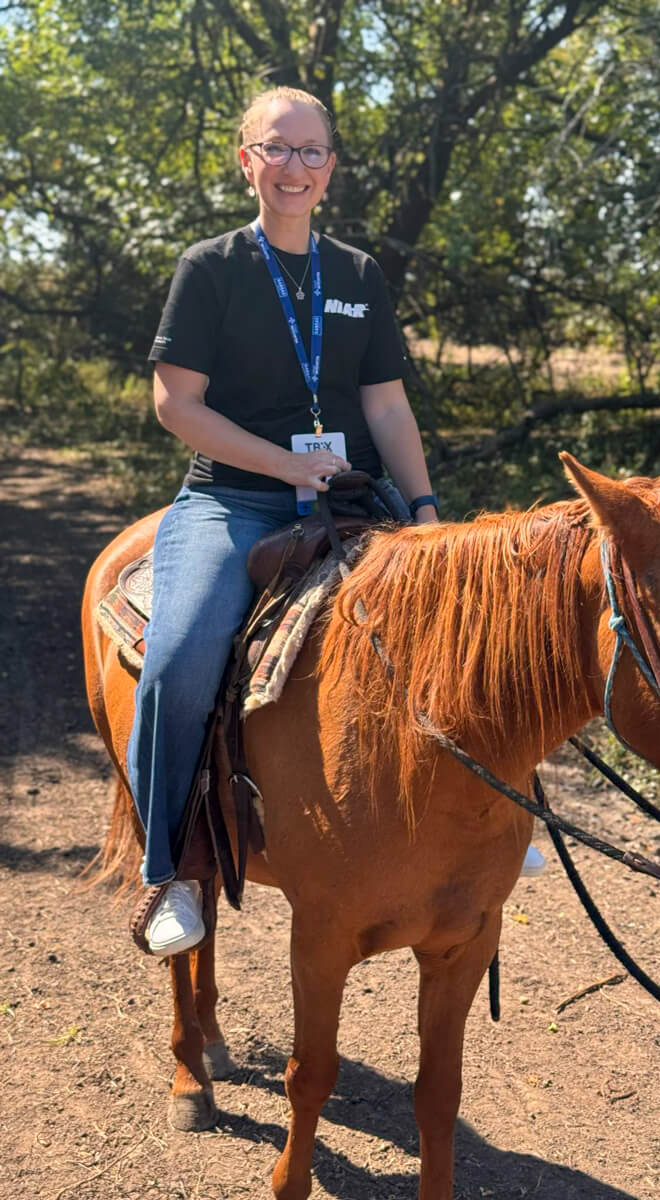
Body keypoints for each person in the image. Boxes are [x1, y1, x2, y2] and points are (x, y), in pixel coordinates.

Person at [129, 86, 541, 958]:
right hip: (233, 502)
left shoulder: (357, 275)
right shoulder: (211, 268)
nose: (295, 166)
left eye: (312, 151)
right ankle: (172, 869)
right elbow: (176, 405)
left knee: (478, 624)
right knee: (177, 660)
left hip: (352, 500)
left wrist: (425, 512)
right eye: (277, 148)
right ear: (247, 161)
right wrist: (282, 464)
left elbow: (386, 407)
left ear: (331, 168)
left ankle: (504, 817)